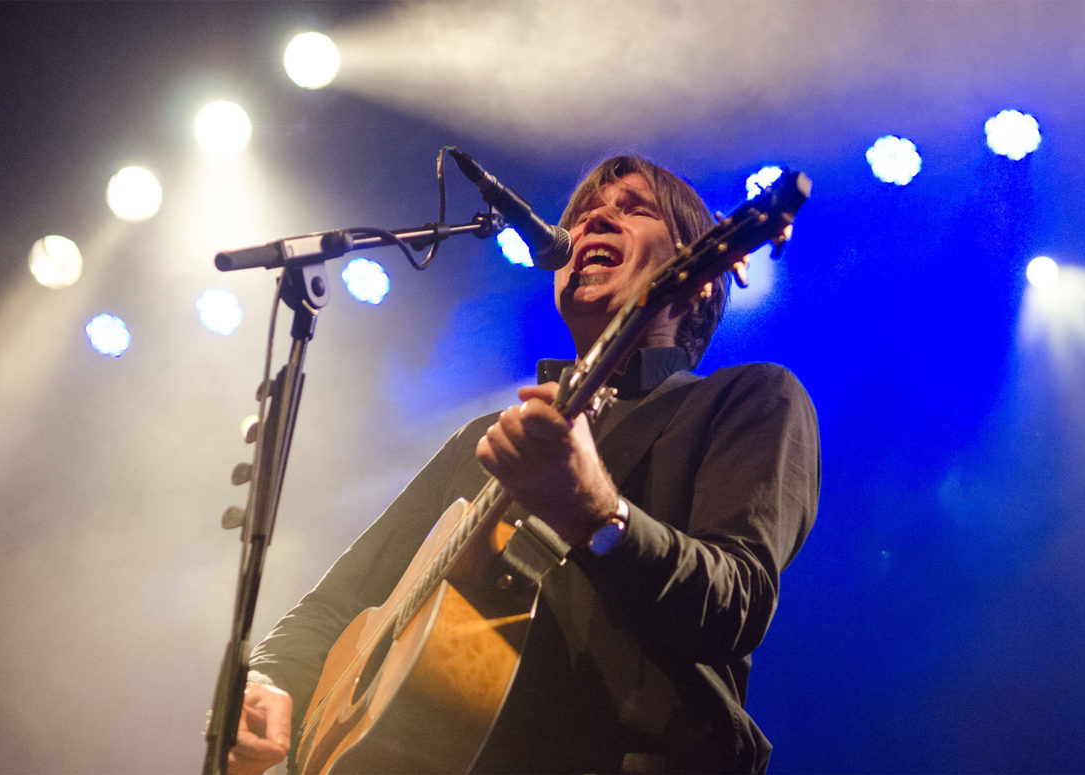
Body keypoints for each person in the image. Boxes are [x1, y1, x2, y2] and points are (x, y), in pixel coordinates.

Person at [225, 155, 820, 774]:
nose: (595, 221)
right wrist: (271, 682)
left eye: (633, 208)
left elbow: (736, 605)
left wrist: (600, 512)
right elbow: (338, 604)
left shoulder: (748, 398)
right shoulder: (487, 439)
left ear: (699, 277)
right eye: (585, 214)